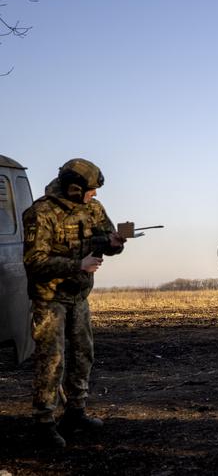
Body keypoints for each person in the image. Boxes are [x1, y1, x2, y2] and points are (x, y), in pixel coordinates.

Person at [22, 158, 126, 447]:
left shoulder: (93, 208)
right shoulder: (41, 213)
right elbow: (34, 262)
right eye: (90, 190)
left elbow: (103, 238)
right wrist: (77, 265)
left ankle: (75, 412)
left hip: (79, 297)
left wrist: (113, 244)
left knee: (83, 355)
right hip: (50, 298)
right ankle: (44, 422)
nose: (94, 195)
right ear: (73, 188)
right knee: (51, 360)